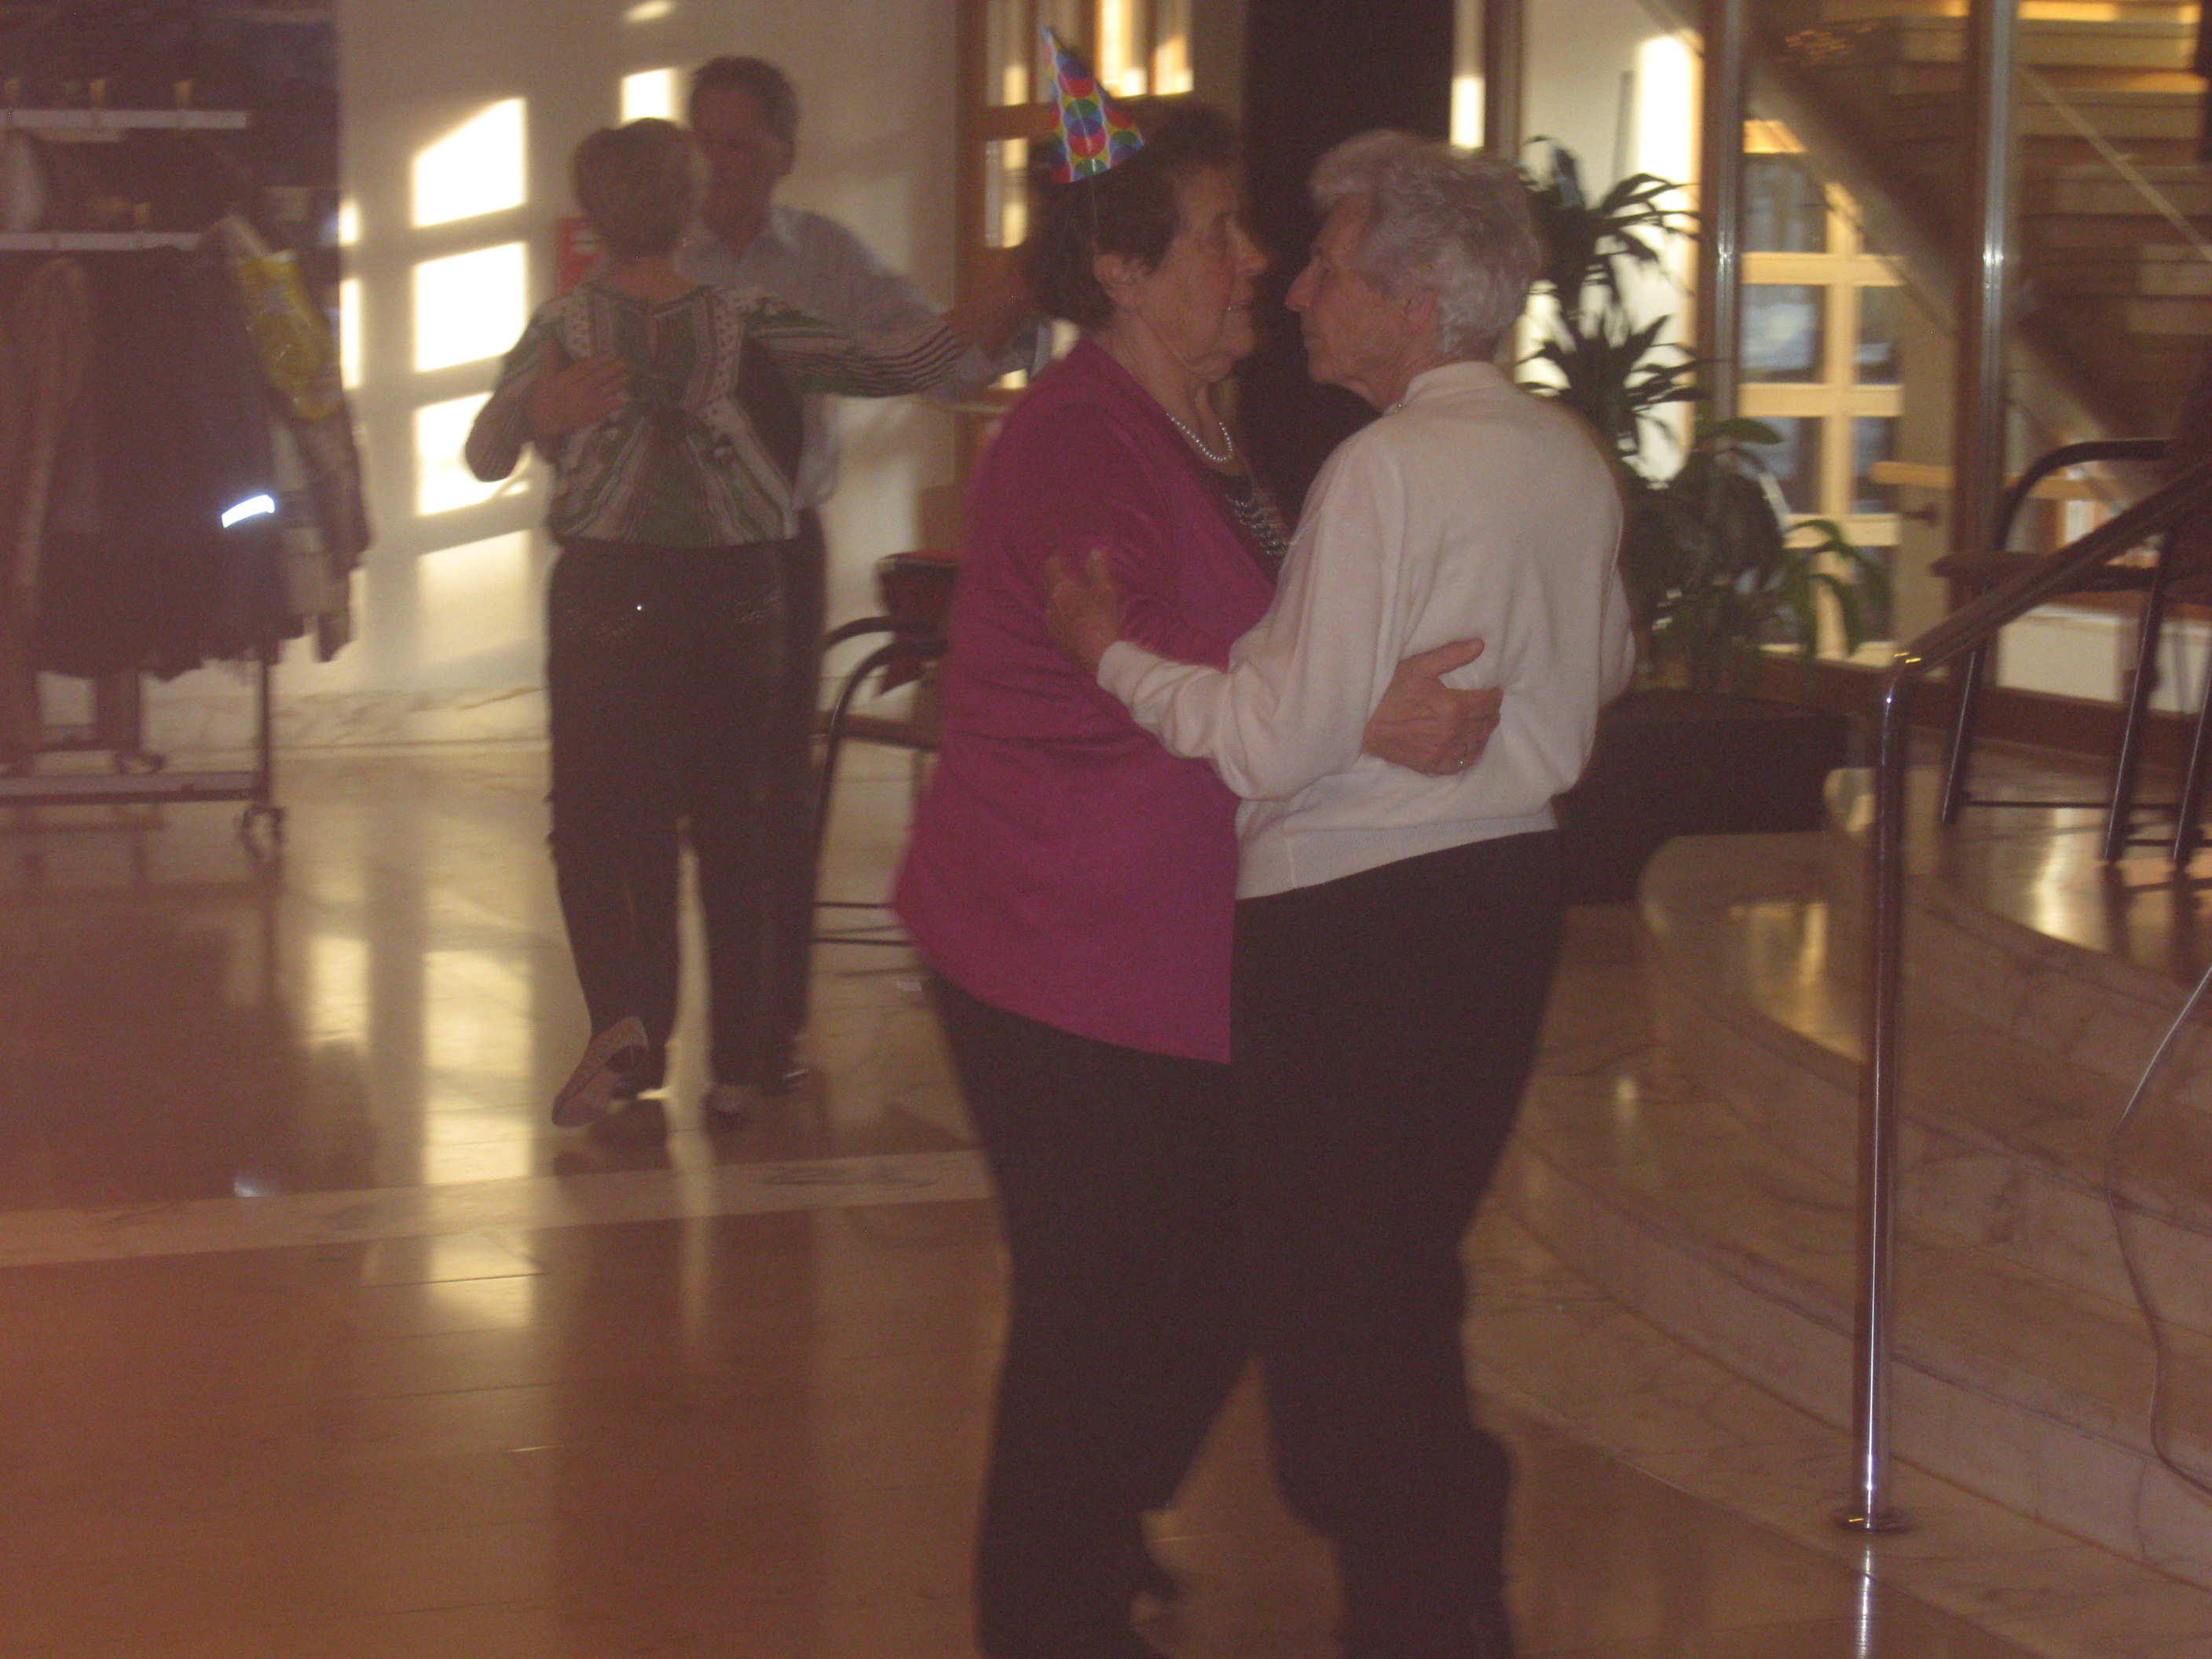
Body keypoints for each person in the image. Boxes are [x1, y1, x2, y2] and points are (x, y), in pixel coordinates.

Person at [892, 84, 1500, 1659]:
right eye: (1220, 234)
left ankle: (1093, 1515)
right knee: (1099, 1298)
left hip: (1178, 955)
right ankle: (1047, 1609)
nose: (1256, 261)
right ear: (1121, 270)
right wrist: (1365, 711)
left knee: (1220, 1272)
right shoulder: (1073, 439)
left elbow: (1266, 661)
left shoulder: (1211, 434)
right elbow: (1170, 659)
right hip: (1057, 950)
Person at [1046, 132, 1634, 1659]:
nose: (1296, 290)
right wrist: (1385, 710)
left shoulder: (1386, 470)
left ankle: (1426, 1611)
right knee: (1392, 1279)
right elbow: (1599, 667)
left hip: (1353, 924)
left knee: (1334, 1317)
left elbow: (1267, 742)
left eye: (1328, 267)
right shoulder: (1562, 457)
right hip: (1501, 900)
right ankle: (1445, 1601)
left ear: (1417, 305)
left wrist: (1111, 655)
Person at [463, 118, 971, 1129]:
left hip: (607, 595)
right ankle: (740, 1066)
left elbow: (484, 454)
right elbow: (897, 364)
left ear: (590, 212)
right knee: (736, 824)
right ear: (689, 206)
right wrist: (1012, 310)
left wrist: (539, 414)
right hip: (740, 594)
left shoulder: (563, 326)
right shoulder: (752, 318)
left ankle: (626, 1032)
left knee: (601, 825)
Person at [678, 56, 1041, 1090]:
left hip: (779, 549)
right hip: (672, 556)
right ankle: (670, 1042)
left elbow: (934, 361)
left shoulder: (825, 258)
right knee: (690, 800)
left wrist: (1008, 308)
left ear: (783, 154)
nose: (717, 163)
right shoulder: (663, 253)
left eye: (738, 142)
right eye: (702, 142)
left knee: (774, 797)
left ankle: (770, 1033)